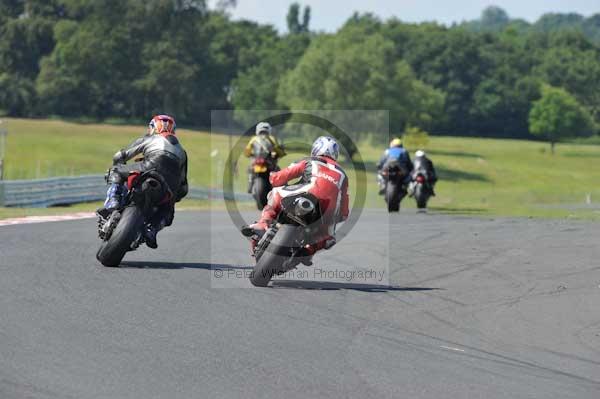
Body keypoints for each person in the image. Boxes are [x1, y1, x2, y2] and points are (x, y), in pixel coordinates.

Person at [241, 136, 349, 258]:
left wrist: (273, 177)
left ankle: (263, 223)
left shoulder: (309, 160)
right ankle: (309, 250)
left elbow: (282, 176)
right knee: (328, 237)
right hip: (327, 210)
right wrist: (340, 216)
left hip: (307, 193)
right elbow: (344, 208)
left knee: (275, 193)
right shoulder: (343, 175)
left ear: (316, 148)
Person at [99, 114, 188, 248]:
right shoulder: (182, 152)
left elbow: (120, 155)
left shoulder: (150, 138)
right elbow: (183, 186)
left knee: (117, 170)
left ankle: (114, 200)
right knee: (168, 211)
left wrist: (119, 163)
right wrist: (175, 198)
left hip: (148, 168)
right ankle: (152, 230)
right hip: (169, 185)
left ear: (153, 127)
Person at [244, 122, 286, 193]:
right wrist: (279, 153)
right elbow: (279, 150)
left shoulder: (253, 139)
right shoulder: (272, 139)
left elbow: (247, 151)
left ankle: (250, 184)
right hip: (269, 162)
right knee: (278, 171)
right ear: (269, 130)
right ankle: (281, 188)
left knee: (250, 169)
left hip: (256, 161)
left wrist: (250, 154)